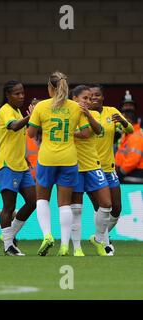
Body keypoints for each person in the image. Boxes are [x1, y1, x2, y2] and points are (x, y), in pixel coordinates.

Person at [28, 71, 90, 256]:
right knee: (64, 204)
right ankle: (65, 245)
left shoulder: (41, 107)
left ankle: (47, 235)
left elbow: (31, 134)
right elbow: (86, 134)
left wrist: (32, 116)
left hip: (47, 158)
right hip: (69, 158)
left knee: (42, 199)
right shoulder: (75, 107)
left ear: (50, 88)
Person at [88, 84, 133, 256]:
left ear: (103, 97)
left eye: (97, 95)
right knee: (101, 207)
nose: (94, 98)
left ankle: (99, 236)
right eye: (91, 96)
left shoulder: (111, 111)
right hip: (92, 167)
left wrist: (122, 121)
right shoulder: (85, 115)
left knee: (117, 208)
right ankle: (105, 243)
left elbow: (128, 129)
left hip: (109, 167)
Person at [0, 80, 36, 256]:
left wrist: (24, 156)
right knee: (8, 208)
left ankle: (8, 236)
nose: (21, 96)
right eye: (17, 94)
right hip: (7, 165)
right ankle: (8, 246)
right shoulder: (5, 111)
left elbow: (16, 139)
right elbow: (14, 126)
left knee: (33, 201)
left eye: (22, 93)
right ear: (7, 95)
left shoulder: (17, 110)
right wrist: (32, 116)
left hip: (20, 164)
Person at [69, 85, 112, 257]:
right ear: (74, 99)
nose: (88, 101)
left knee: (106, 204)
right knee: (76, 209)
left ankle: (99, 239)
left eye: (89, 98)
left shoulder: (92, 114)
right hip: (74, 166)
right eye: (84, 98)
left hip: (93, 165)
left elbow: (98, 130)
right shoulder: (68, 115)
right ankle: (77, 248)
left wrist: (86, 114)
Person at [115, 109, 143, 184]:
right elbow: (120, 154)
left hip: (135, 175)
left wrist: (120, 172)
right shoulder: (126, 135)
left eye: (121, 122)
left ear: (128, 121)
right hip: (127, 172)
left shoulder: (136, 136)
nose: (119, 125)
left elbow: (133, 160)